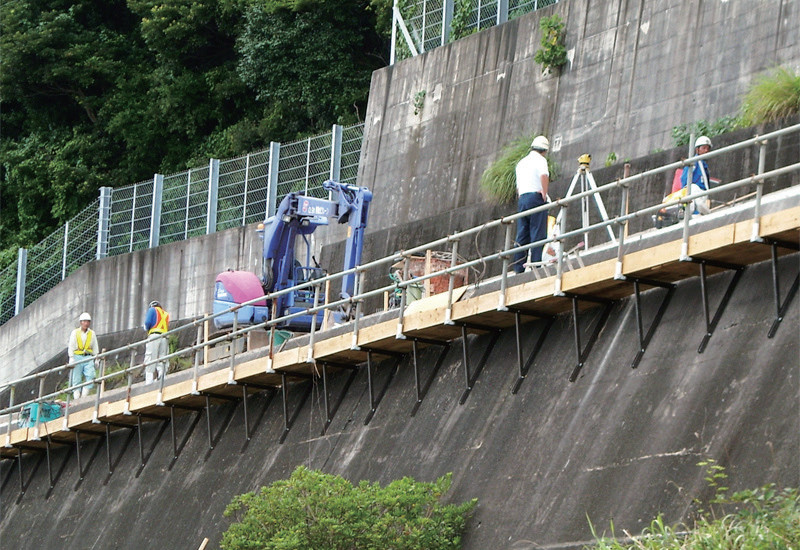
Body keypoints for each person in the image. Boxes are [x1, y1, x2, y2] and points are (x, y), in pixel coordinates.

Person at [512, 135, 550, 273]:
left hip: (522, 199)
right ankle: (536, 266)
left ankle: (518, 268)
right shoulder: (541, 160)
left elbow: (518, 187)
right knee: (537, 233)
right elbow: (544, 176)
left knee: (522, 234)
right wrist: (544, 194)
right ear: (544, 150)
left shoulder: (521, 163)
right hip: (535, 198)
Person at [68, 312, 99, 399]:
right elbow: (71, 345)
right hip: (77, 356)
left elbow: (95, 346)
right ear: (81, 322)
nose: (86, 323)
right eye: (84, 321)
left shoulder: (92, 333)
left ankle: (84, 394)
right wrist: (71, 357)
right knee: (76, 378)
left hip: (88, 357)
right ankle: (76, 397)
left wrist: (96, 358)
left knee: (91, 375)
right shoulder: (75, 333)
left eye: (88, 321)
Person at [680, 135, 713, 214]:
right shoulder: (693, 162)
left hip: (702, 195)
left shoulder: (703, 165)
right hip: (695, 195)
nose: (706, 151)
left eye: (708, 148)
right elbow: (684, 179)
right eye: (704, 148)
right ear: (697, 150)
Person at [143, 300, 170, 385]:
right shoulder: (165, 314)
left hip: (154, 336)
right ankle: (162, 376)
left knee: (150, 357)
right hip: (164, 337)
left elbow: (147, 322)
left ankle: (149, 381)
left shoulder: (152, 310)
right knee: (162, 357)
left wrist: (146, 327)